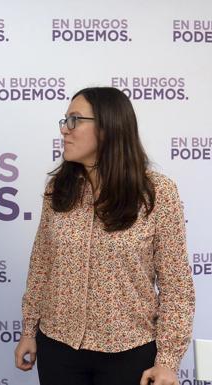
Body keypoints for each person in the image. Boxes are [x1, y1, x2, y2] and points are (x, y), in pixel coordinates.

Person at [14, 87, 195, 385]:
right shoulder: (58, 189)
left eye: (74, 120)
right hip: (58, 348)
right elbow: (41, 267)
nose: (64, 130)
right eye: (64, 120)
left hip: (129, 352)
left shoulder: (156, 193)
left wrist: (167, 361)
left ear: (109, 127)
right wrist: (28, 332)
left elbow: (176, 286)